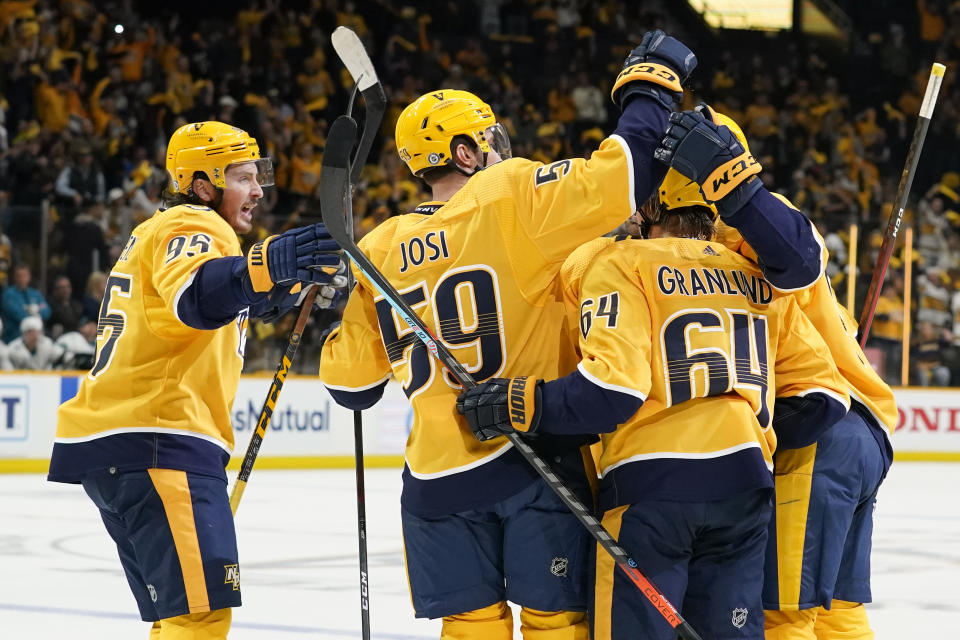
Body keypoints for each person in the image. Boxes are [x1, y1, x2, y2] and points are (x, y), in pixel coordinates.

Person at [319, 30, 698, 640]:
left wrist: (340, 307)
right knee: (555, 626)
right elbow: (624, 172)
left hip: (436, 480)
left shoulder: (378, 247)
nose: (501, 148)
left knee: (470, 630)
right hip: (532, 457)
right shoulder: (512, 193)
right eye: (490, 139)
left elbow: (352, 388)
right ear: (467, 153)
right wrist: (651, 84)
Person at [457, 188, 851, 640]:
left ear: (648, 210)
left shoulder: (622, 262)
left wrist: (520, 403)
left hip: (652, 493)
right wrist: (741, 429)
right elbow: (824, 397)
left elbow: (611, 391)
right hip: (745, 491)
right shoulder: (758, 275)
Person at [48, 121, 346, 640]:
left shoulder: (169, 231)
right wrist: (272, 262)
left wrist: (285, 283)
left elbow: (220, 297)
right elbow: (198, 298)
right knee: (201, 615)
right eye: (243, 178)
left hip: (130, 442)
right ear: (204, 184)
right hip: (159, 439)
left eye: (258, 178)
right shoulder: (193, 224)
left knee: (179, 616)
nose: (257, 191)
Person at [659, 107, 897, 639]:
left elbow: (797, 259)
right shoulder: (757, 220)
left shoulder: (744, 223)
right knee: (835, 609)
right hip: (857, 431)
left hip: (817, 434)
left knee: (782, 614)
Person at [1, 264, 51, 343]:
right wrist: (35, 315)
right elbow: (18, 314)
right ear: (14, 277)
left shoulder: (35, 293)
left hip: (36, 338)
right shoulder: (8, 294)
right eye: (19, 276)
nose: (22, 279)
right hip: (14, 338)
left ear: (29, 277)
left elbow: (47, 311)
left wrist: (37, 310)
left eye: (24, 275)